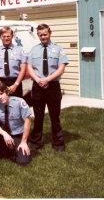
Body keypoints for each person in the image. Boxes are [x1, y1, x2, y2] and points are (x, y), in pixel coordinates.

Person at [27, 23, 68, 152]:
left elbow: (61, 68)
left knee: (55, 117)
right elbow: (29, 67)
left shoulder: (58, 49)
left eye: (45, 34)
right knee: (38, 116)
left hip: (53, 86)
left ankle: (58, 143)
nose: (43, 37)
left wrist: (47, 79)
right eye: (40, 35)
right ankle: (35, 142)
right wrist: (38, 79)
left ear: (50, 33)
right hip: (38, 86)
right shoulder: (34, 49)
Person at [0, 82, 32, 165]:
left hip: (19, 134)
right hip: (6, 134)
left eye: (2, 93)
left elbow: (28, 122)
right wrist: (5, 134)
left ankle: (18, 148)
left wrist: (23, 142)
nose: (0, 97)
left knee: (23, 161)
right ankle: (4, 153)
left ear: (7, 92)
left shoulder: (19, 102)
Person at [0, 26, 27, 97]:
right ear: (0, 37)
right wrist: (0, 84)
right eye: (4, 36)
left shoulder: (20, 51)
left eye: (8, 36)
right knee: (1, 106)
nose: (6, 38)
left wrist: (16, 85)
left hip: (15, 82)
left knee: (16, 106)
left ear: (12, 36)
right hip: (1, 82)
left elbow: (23, 69)